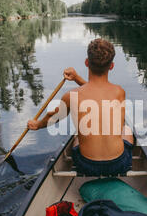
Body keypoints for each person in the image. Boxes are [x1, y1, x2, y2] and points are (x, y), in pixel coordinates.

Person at [27, 38, 133, 176]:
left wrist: (37, 125)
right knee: (127, 129)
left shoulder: (72, 95)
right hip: (117, 164)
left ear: (87, 62)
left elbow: (52, 118)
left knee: (77, 135)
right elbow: (97, 93)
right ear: (111, 66)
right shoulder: (119, 92)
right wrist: (77, 78)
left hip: (87, 165)